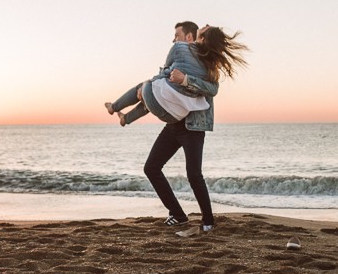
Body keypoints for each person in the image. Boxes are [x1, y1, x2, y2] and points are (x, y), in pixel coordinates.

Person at [120, 23, 247, 233]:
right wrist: (146, 89)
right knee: (151, 168)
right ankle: (178, 215)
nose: (205, 25)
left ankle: (208, 221)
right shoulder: (185, 54)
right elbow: (164, 83)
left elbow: (212, 89)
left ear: (203, 38)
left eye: (206, 28)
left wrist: (185, 79)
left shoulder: (208, 64)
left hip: (194, 126)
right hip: (173, 124)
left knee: (193, 174)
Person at [105, 21, 209, 127]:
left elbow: (164, 71)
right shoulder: (206, 61)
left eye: (177, 36)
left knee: (146, 87)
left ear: (189, 37)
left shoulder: (179, 48)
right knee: (155, 95)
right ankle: (125, 118)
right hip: (178, 115)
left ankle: (114, 107)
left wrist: (149, 83)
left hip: (166, 107)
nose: (174, 40)